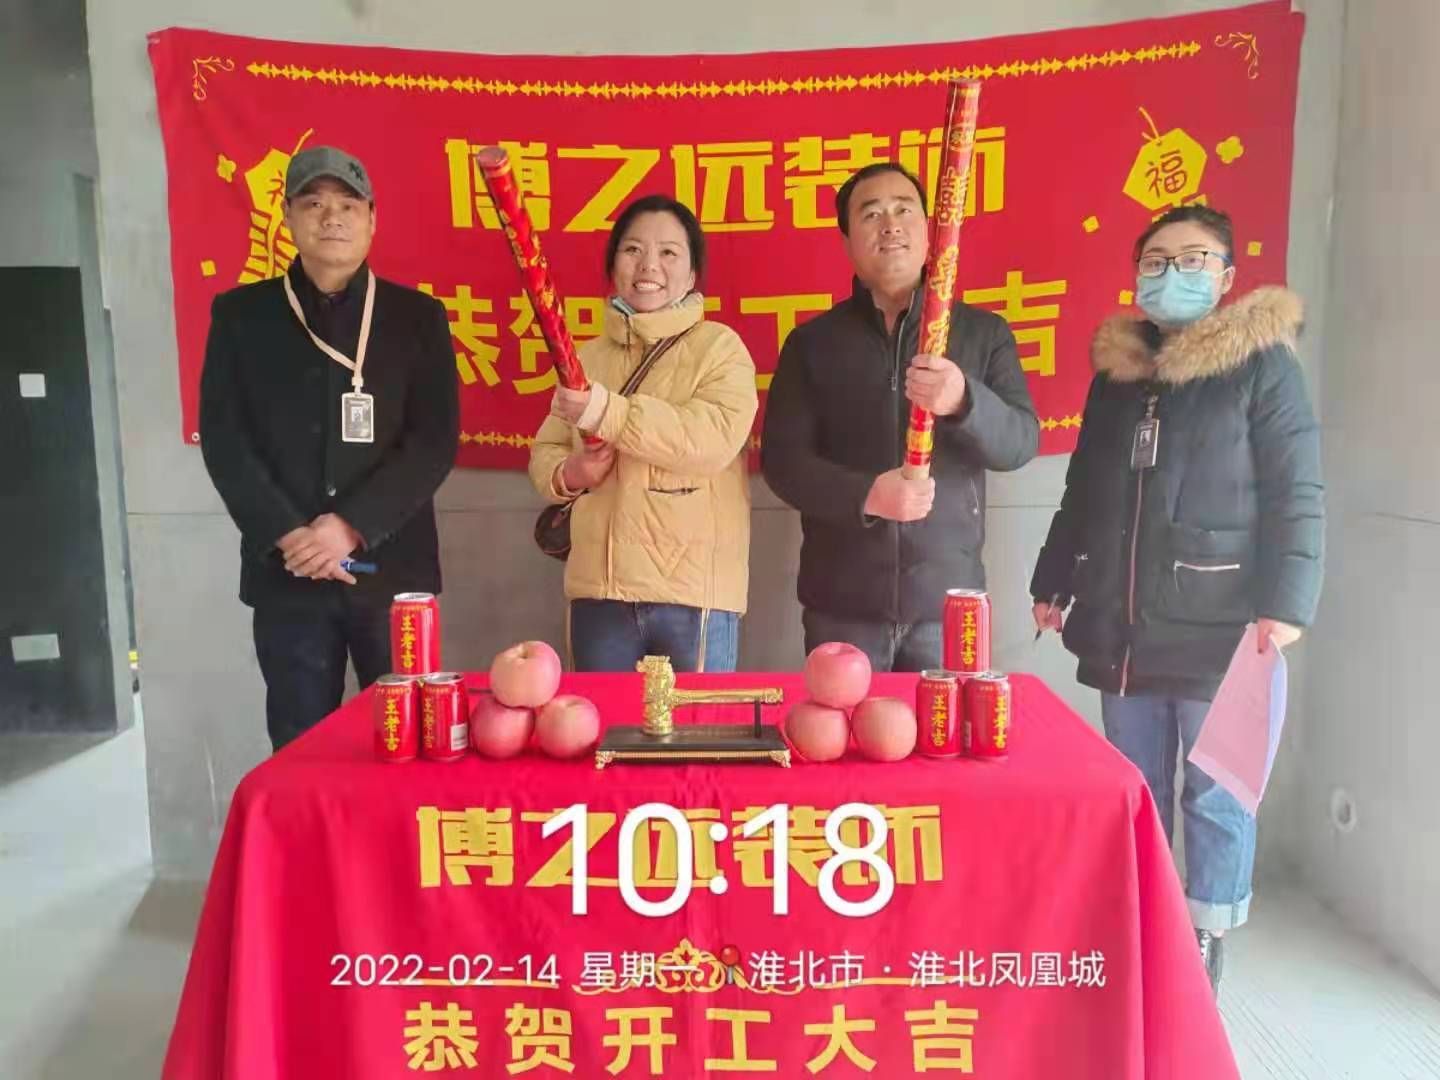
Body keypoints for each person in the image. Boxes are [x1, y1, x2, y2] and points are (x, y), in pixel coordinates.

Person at [1029, 205, 1325, 993]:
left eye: (1194, 259)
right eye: (1156, 260)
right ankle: (1146, 920)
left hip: (1225, 626)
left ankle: (1205, 935)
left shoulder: (1261, 367)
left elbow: (1297, 488)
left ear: (1226, 278)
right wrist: (1054, 578)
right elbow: (1084, 488)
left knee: (1218, 795)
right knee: (1135, 790)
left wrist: (1288, 601)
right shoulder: (1119, 378)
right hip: (1124, 627)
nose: (1173, 274)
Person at [199, 146, 459, 751]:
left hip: (391, 576)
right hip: (287, 573)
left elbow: (433, 440)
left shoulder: (417, 317)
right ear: (288, 216)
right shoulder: (241, 315)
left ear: (372, 219)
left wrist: (348, 527)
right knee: (299, 743)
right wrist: (290, 535)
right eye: (314, 204)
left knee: (408, 742)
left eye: (348, 205)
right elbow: (226, 439)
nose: (331, 217)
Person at [761, 162, 1039, 671]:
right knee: (840, 724)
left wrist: (964, 401)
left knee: (947, 727)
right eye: (871, 214)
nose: (890, 225)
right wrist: (867, 494)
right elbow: (783, 463)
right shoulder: (812, 344)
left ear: (929, 231)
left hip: (947, 605)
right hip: (842, 607)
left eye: (903, 210)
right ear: (848, 241)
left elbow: (1020, 443)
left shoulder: (983, 334)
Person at [529, 195, 757, 672]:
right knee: (602, 721)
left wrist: (604, 411)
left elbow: (710, 440)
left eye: (669, 252)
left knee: (695, 723)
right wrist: (571, 473)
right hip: (599, 593)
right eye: (632, 250)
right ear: (613, 267)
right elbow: (546, 447)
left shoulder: (721, 348)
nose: (649, 265)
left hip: (693, 596)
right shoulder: (587, 358)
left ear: (692, 275)